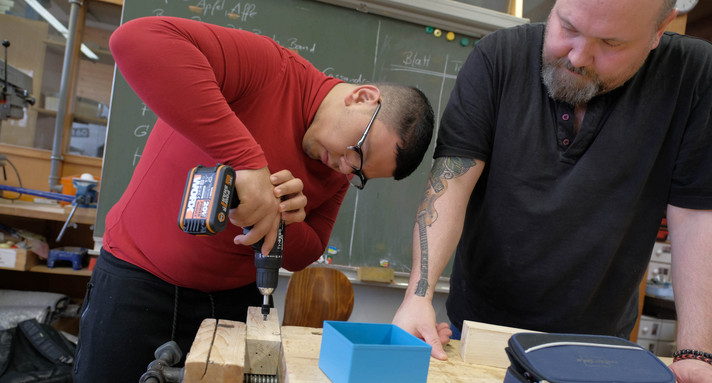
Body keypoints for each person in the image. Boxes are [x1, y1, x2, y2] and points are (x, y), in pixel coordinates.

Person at [73, 16, 434, 382]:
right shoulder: (268, 68)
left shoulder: (337, 168)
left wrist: (283, 221)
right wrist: (248, 161)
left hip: (232, 308)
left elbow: (308, 251)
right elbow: (135, 39)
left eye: (359, 172)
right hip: (138, 287)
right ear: (362, 97)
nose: (345, 167)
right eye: (357, 150)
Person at [392, 0, 712, 381]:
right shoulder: (498, 57)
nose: (577, 57)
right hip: (478, 337)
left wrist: (697, 352)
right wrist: (417, 296)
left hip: (599, 353)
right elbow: (452, 182)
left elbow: (696, 217)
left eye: (610, 44)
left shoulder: (694, 75)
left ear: (659, 32)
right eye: (568, 28)